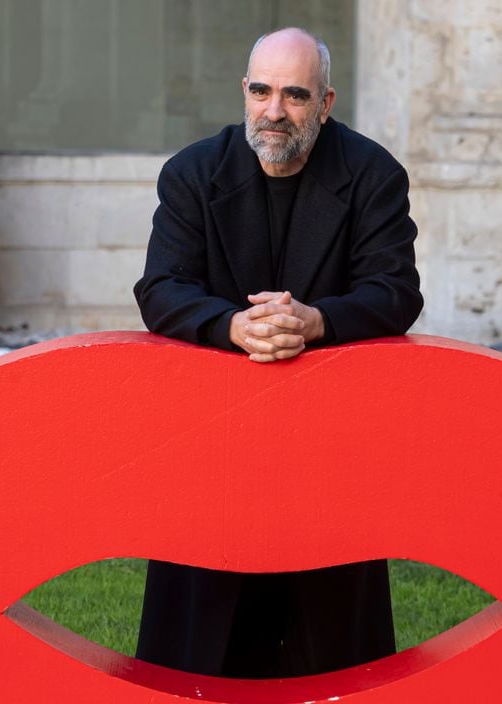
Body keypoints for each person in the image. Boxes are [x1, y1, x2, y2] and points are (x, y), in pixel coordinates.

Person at [132, 27, 423, 678]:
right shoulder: (191, 174)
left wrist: (316, 321)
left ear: (325, 102)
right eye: (261, 91)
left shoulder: (374, 175)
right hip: (211, 439)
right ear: (244, 92)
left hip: (329, 441)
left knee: (333, 652)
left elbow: (396, 290)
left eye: (295, 95)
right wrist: (233, 326)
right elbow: (161, 288)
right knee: (197, 654)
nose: (274, 110)